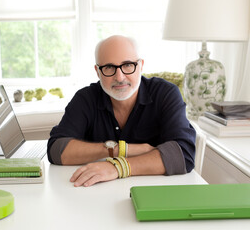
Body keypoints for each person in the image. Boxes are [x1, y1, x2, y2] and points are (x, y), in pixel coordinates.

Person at [47, 35, 196, 187]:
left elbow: (183, 155)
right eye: (109, 67)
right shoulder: (85, 98)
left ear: (140, 65)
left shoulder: (165, 93)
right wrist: (122, 150)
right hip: (96, 193)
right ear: (98, 71)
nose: (119, 77)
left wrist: (117, 167)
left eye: (128, 65)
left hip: (156, 192)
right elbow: (57, 150)